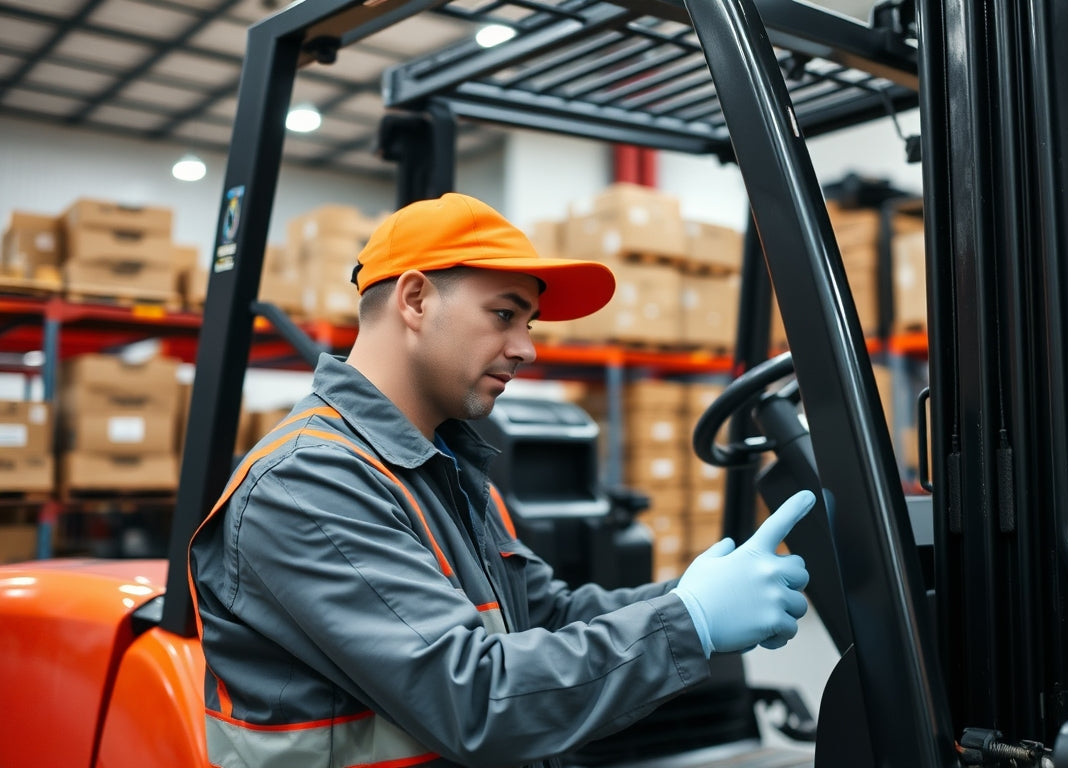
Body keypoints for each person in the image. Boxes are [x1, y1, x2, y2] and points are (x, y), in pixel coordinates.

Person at [189, 192, 816, 768]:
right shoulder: (308, 483)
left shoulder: (445, 471)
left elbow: (547, 616)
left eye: (529, 323)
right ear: (413, 300)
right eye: (505, 314)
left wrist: (698, 591)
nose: (526, 348)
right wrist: (691, 621)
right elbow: (475, 698)